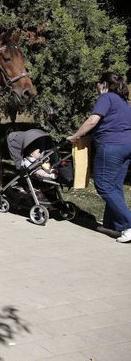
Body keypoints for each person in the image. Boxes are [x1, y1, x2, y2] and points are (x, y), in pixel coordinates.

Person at [68, 72, 131, 243]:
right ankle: (113, 224)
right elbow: (113, 126)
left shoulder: (107, 97)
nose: (96, 86)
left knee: (103, 185)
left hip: (111, 148)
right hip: (127, 146)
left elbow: (92, 121)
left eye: (97, 83)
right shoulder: (124, 102)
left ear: (103, 84)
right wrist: (88, 138)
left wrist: (74, 136)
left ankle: (129, 224)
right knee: (115, 186)